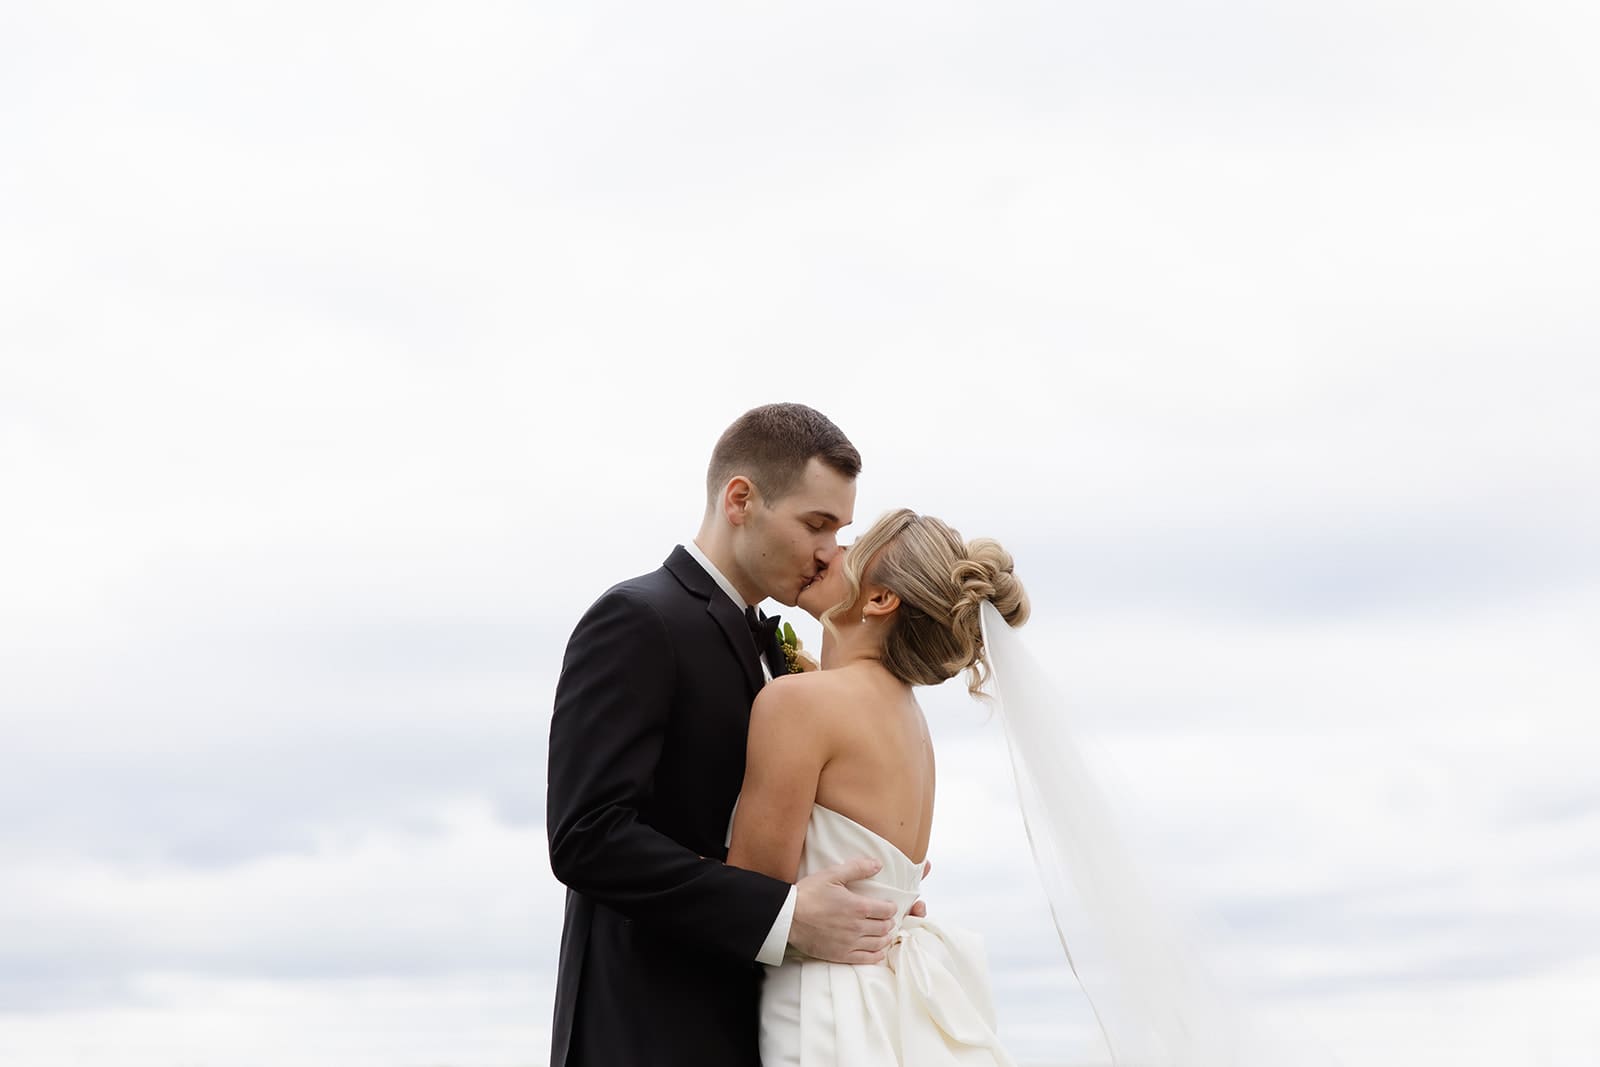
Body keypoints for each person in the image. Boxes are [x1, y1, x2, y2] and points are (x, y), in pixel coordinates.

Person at [546, 403, 909, 1067]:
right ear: (741, 498)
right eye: (815, 524)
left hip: (763, 1029)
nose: (830, 551)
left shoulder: (778, 656)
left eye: (839, 529)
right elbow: (586, 835)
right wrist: (784, 915)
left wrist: (868, 898)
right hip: (645, 1032)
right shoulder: (636, 618)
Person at [728, 507, 1030, 1066]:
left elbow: (747, 896)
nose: (828, 552)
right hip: (895, 1001)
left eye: (852, 545)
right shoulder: (911, 725)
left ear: (880, 599)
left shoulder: (800, 705)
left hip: (824, 1009)